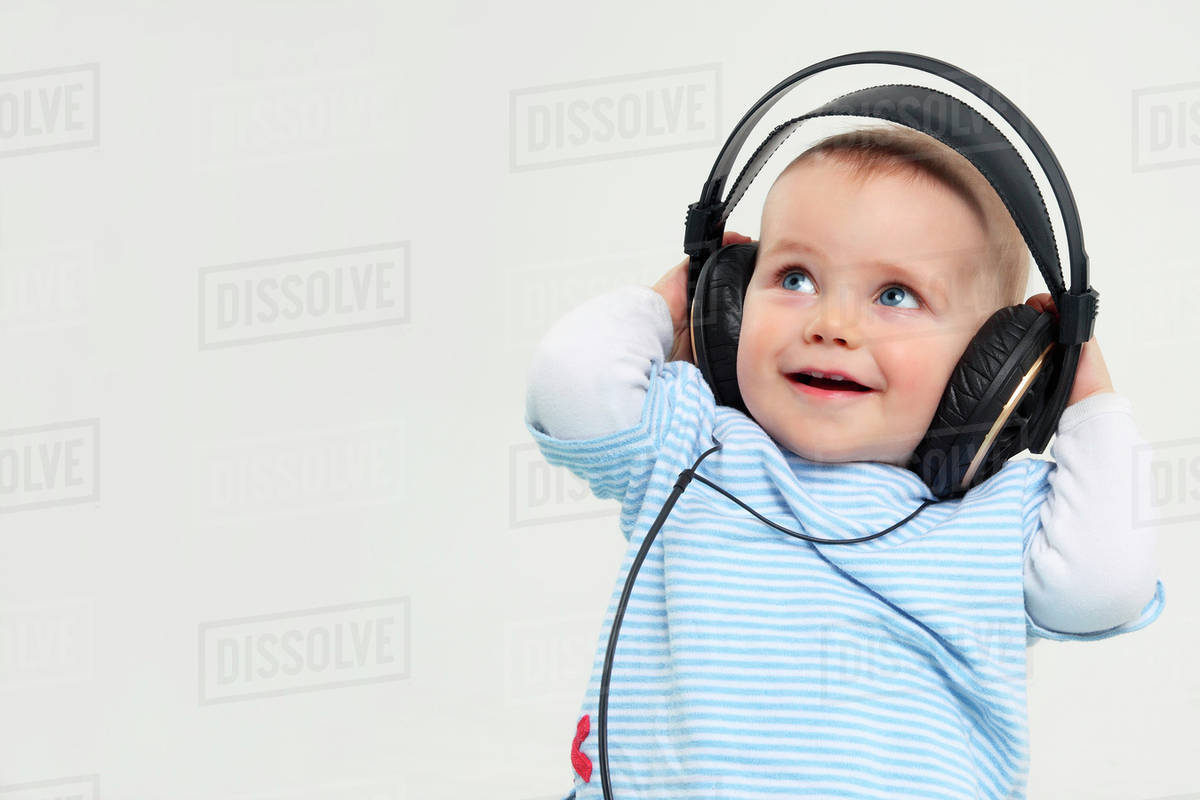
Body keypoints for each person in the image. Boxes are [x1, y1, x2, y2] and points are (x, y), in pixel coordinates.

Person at [523, 123, 1165, 800]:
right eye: (794, 277)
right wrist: (673, 296)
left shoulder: (993, 520)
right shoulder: (690, 447)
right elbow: (570, 383)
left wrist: (1084, 393)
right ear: (729, 304)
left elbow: (1107, 584)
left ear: (998, 365)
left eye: (894, 295)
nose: (831, 324)